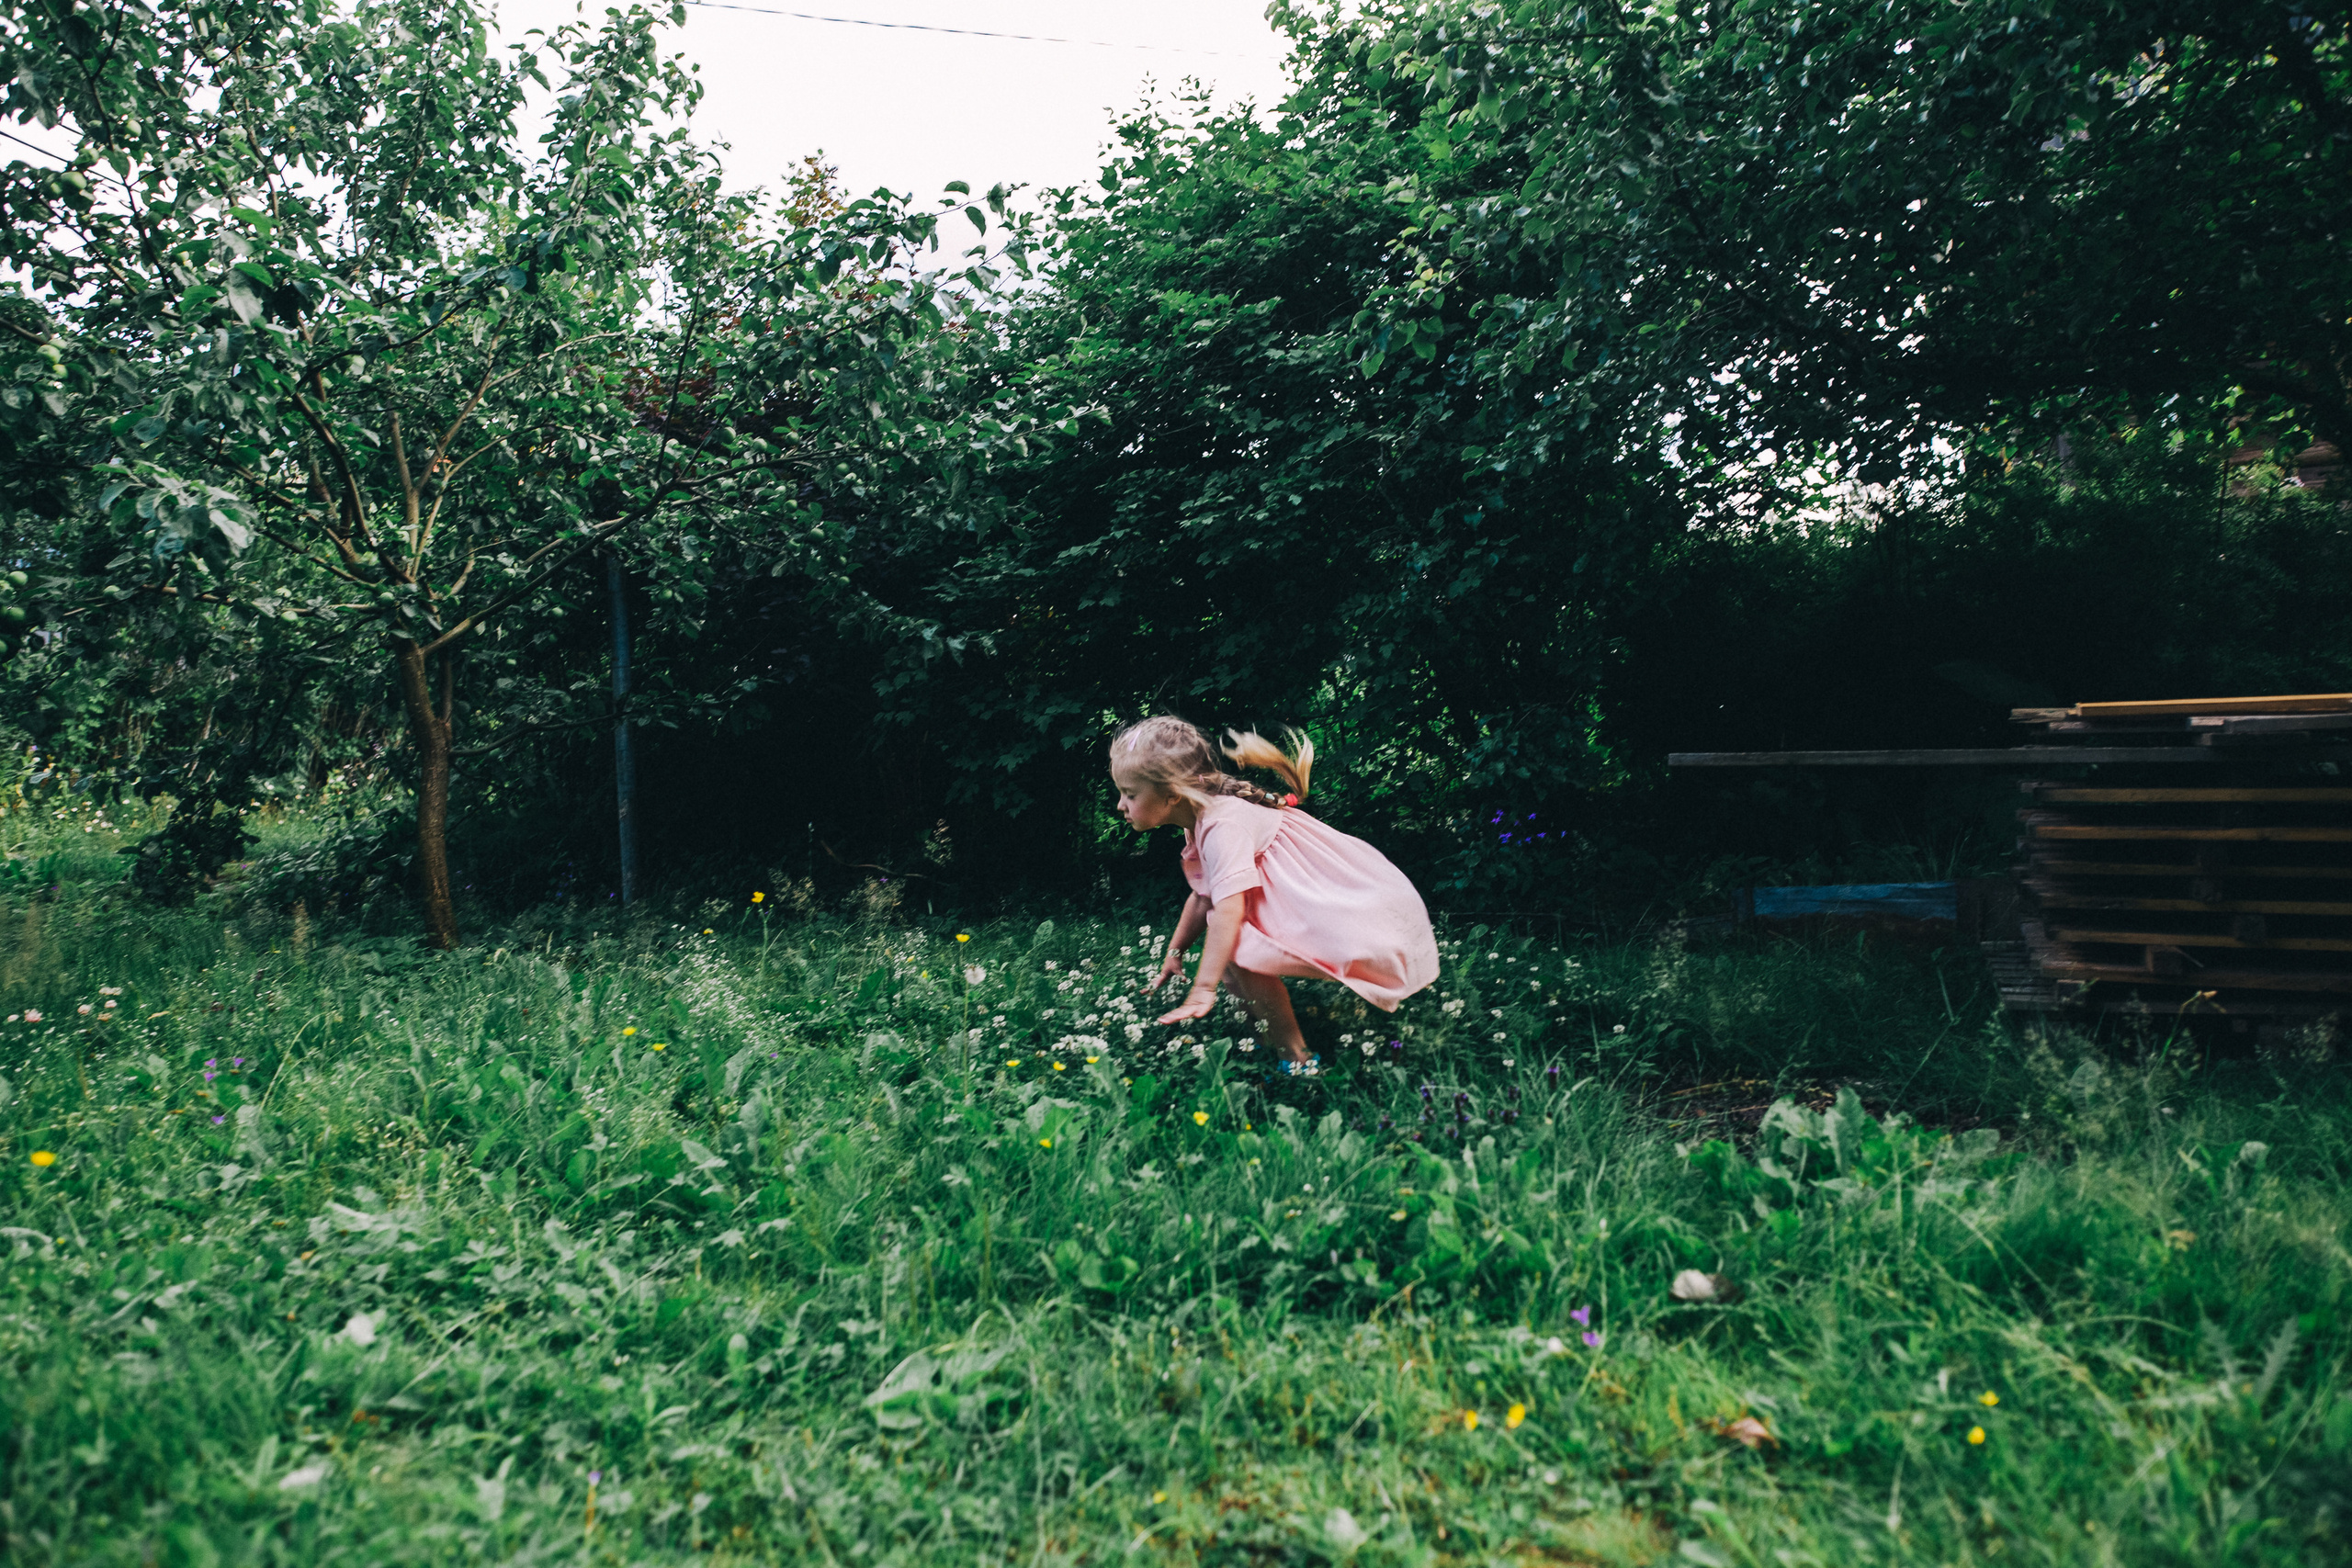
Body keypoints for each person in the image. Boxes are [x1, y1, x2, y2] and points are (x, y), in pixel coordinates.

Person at [1110, 716, 1440, 1076]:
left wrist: (1204, 987)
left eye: (1130, 794)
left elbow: (1226, 909)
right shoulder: (1201, 819)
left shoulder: (1223, 825)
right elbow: (1203, 896)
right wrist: (1175, 953)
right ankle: (1265, 1040)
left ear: (1172, 794)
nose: (1120, 806)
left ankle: (1296, 1061)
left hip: (1319, 894)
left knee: (1239, 949)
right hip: (1290, 893)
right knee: (1235, 956)